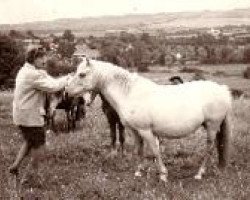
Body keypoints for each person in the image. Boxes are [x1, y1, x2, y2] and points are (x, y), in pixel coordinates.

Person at [9, 47, 70, 183]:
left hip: (22, 114)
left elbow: (52, 81)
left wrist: (64, 78)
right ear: (33, 59)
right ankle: (30, 178)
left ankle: (14, 167)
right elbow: (53, 87)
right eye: (41, 57)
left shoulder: (27, 70)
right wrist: (69, 79)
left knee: (30, 141)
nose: (45, 60)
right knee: (40, 146)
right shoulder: (33, 75)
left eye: (45, 57)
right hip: (29, 116)